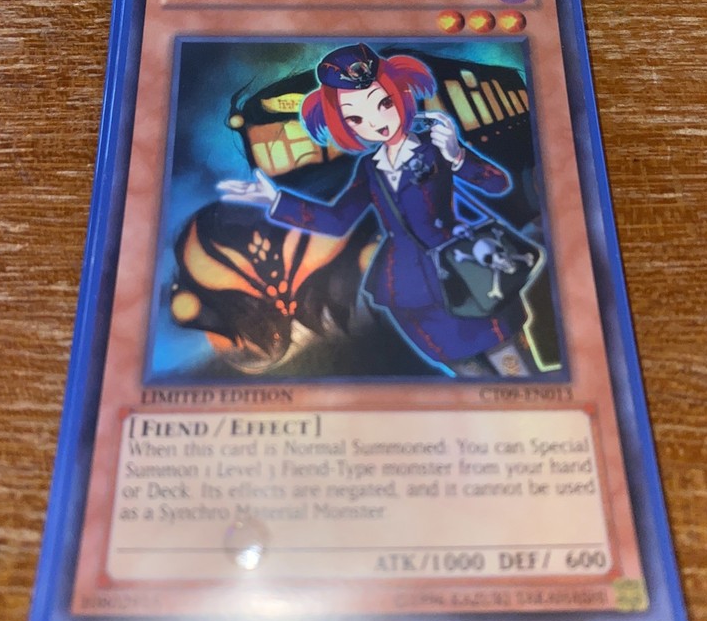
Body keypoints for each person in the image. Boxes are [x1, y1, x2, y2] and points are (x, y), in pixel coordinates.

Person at [218, 43, 535, 377]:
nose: (375, 121)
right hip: (411, 291)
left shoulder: (435, 147)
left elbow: (497, 183)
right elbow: (338, 219)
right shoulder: (370, 167)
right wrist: (276, 201)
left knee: (512, 363)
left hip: (462, 269)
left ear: (401, 95)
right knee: (469, 372)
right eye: (355, 118)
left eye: (384, 103)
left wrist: (457, 156)